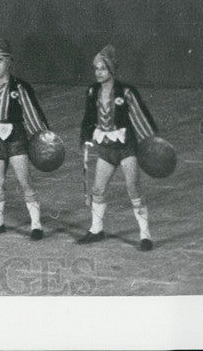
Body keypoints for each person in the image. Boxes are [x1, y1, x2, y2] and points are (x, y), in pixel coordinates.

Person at [78, 44, 158, 251]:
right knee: (97, 189)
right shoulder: (92, 91)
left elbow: (140, 117)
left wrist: (151, 143)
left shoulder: (126, 91)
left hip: (126, 148)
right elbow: (88, 117)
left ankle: (145, 235)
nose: (98, 73)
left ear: (111, 70)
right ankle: (96, 229)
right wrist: (86, 137)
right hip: (105, 147)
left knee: (133, 188)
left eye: (102, 69)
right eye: (96, 69)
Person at [0, 40, 50, 239]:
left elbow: (32, 113)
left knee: (25, 182)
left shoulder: (19, 86)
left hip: (15, 139)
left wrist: (43, 137)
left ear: (9, 63)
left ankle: (36, 225)